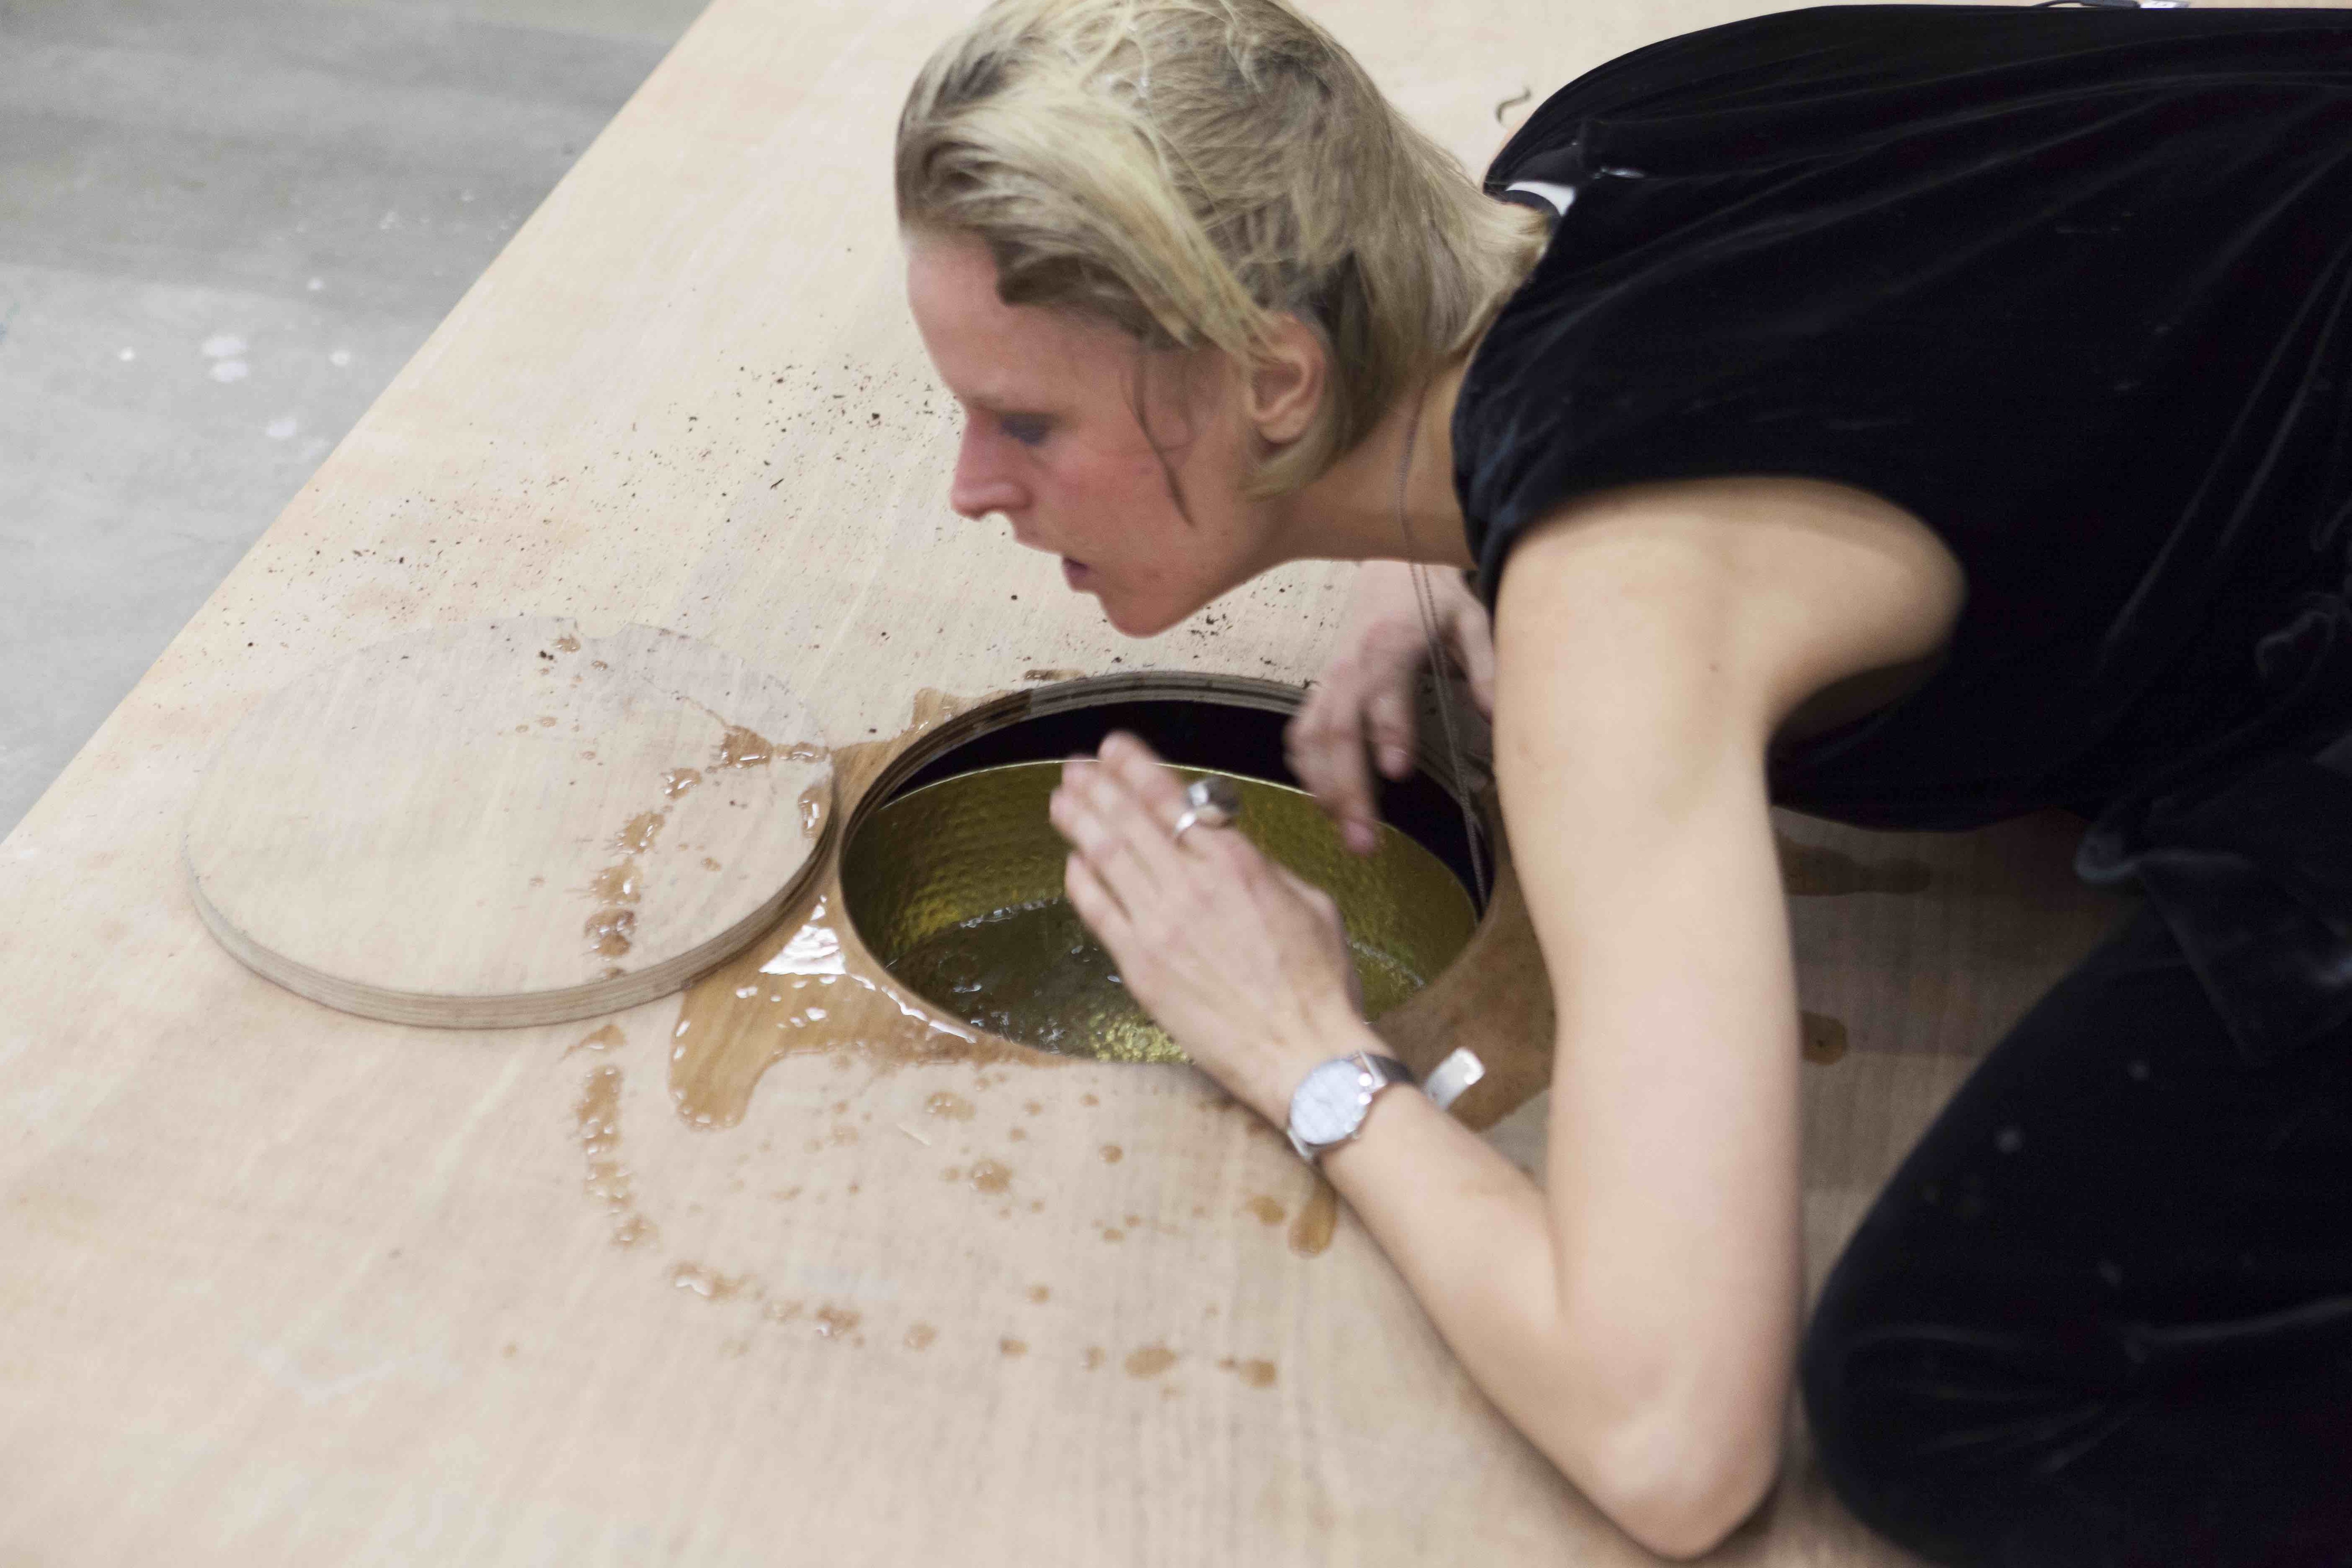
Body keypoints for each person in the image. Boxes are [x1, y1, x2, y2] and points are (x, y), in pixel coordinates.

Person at [895, 1, 2352, 1560]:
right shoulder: (1603, 139)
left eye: (1027, 420)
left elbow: (1672, 1443)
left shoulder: (1621, 606)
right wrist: (1421, 555)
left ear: (1278, 383)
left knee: (1946, 1391)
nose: (972, 486)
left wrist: (1303, 1047)